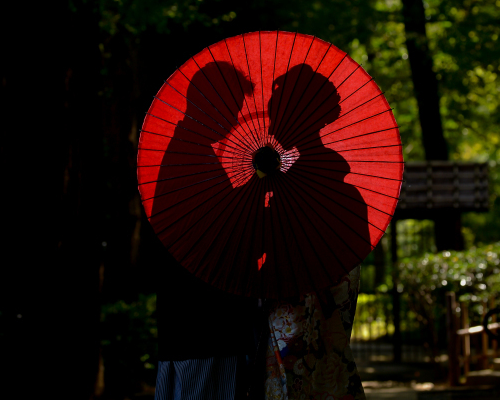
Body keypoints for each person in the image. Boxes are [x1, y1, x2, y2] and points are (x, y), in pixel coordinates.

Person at [150, 60, 265, 400]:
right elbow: (219, 236)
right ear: (208, 105)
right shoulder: (192, 160)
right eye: (232, 110)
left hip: (192, 325)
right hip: (206, 324)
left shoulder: (188, 154)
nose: (233, 122)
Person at [261, 65, 367, 400]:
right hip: (320, 320)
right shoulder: (334, 184)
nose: (271, 119)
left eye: (276, 111)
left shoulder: (298, 183)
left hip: (296, 316)